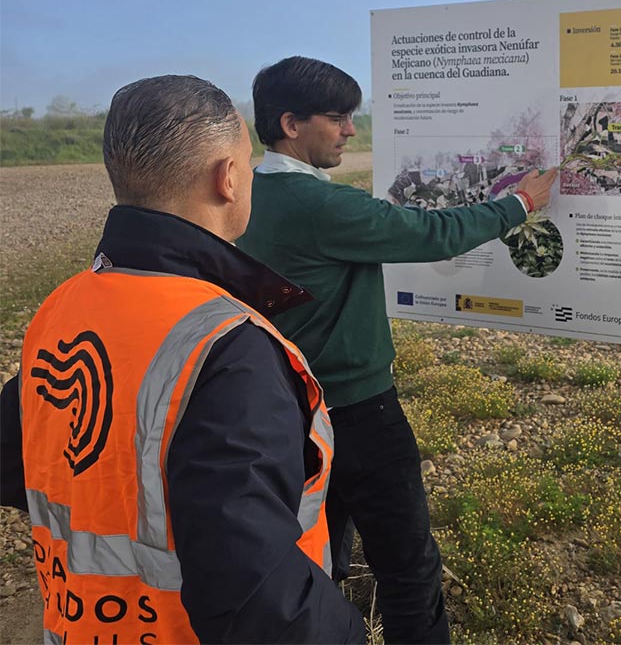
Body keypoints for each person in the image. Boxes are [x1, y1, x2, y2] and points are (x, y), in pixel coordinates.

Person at [0, 76, 366, 643]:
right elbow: (257, 598)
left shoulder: (61, 307)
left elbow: (17, 465)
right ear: (228, 177)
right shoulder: (227, 346)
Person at [237, 55, 558, 644]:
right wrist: (521, 203)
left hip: (284, 412)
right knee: (407, 565)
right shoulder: (320, 206)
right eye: (338, 118)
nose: (351, 131)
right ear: (290, 123)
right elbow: (432, 233)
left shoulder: (247, 196)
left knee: (316, 554)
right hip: (359, 414)